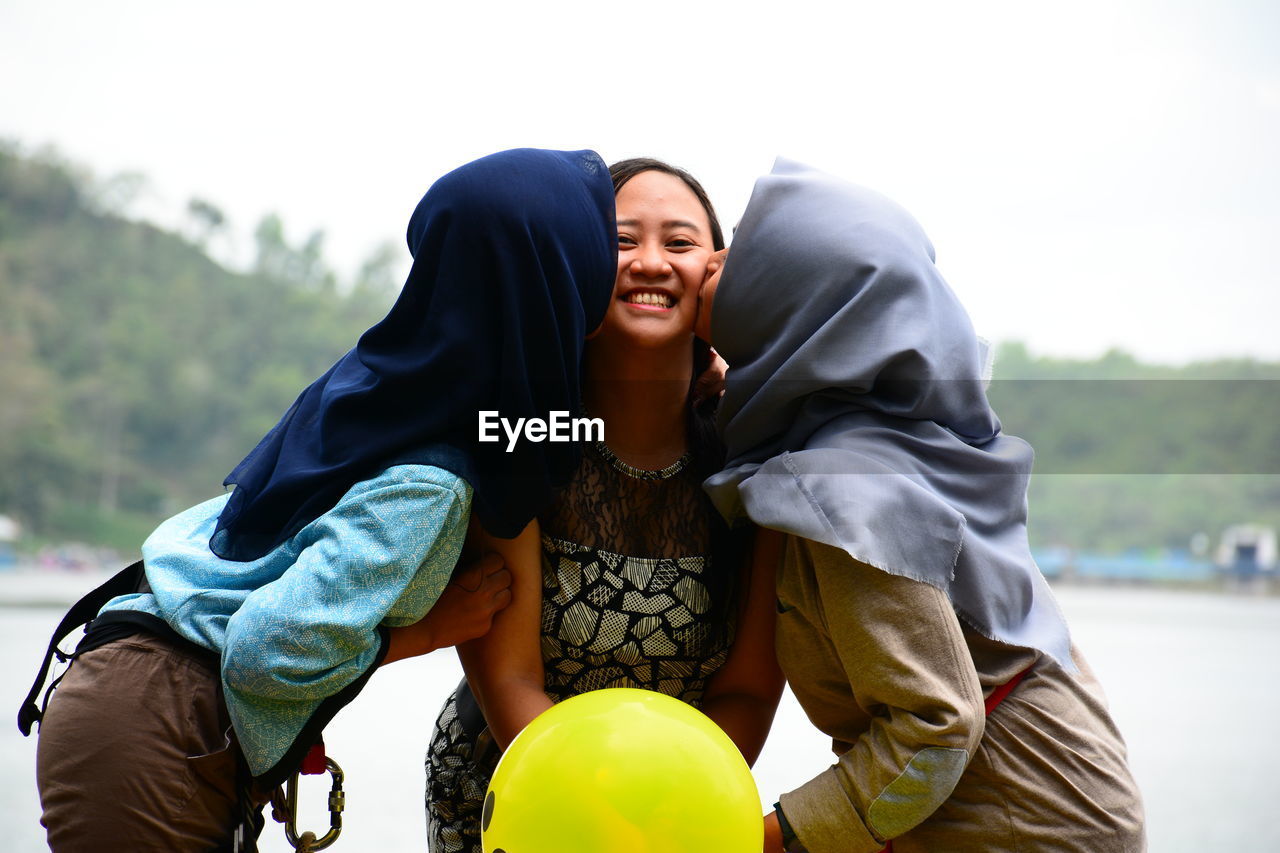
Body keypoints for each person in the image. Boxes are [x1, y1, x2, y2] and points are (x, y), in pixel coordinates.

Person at [21, 147, 618, 853]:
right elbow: (265, 655)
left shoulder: (380, 393)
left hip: (127, 689)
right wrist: (427, 631)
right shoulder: (430, 478)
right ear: (552, 293)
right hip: (160, 723)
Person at [698, 159, 1146, 852]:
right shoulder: (899, 435)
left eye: (743, 255)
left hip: (1021, 823)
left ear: (796, 305)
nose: (711, 257)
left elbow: (936, 725)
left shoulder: (844, 487)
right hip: (1061, 789)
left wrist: (764, 838)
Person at [425, 158, 784, 853]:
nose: (651, 262)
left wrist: (656, 811)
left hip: (676, 805)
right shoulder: (521, 435)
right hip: (512, 784)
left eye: (679, 243)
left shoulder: (756, 461)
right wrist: (591, 809)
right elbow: (511, 676)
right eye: (622, 241)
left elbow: (747, 690)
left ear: (716, 276)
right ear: (577, 265)